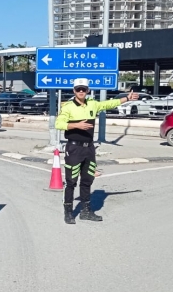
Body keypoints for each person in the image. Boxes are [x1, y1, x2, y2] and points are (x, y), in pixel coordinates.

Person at [55, 78, 139, 224]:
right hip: (74, 148)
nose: (81, 91)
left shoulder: (92, 104)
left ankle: (86, 211)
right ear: (74, 91)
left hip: (89, 148)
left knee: (87, 181)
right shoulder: (68, 107)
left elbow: (108, 103)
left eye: (83, 89)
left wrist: (127, 98)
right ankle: (68, 212)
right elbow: (59, 123)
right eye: (78, 89)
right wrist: (76, 125)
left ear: (87, 90)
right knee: (71, 182)